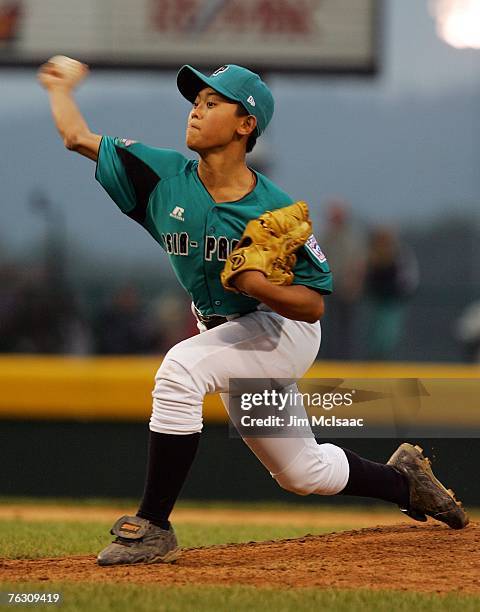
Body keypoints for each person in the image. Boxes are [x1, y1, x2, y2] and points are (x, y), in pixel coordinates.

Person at [38, 58, 468, 566]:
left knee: (179, 370)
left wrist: (260, 286)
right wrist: (60, 87)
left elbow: (313, 305)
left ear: (247, 125)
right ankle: (405, 483)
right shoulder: (161, 176)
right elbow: (75, 137)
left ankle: (153, 525)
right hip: (225, 336)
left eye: (212, 102)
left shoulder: (274, 210)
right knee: (302, 472)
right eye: (195, 102)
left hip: (280, 332)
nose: (196, 111)